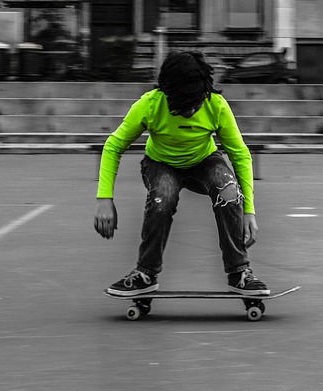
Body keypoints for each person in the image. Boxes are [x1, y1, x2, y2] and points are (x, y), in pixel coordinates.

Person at [94, 50, 268, 297]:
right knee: (162, 198)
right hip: (160, 164)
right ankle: (146, 272)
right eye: (184, 106)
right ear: (167, 93)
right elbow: (113, 146)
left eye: (196, 104)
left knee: (228, 192)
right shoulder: (150, 104)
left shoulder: (215, 105)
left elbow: (240, 154)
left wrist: (248, 211)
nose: (191, 111)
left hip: (203, 162)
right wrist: (104, 198)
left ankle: (239, 272)